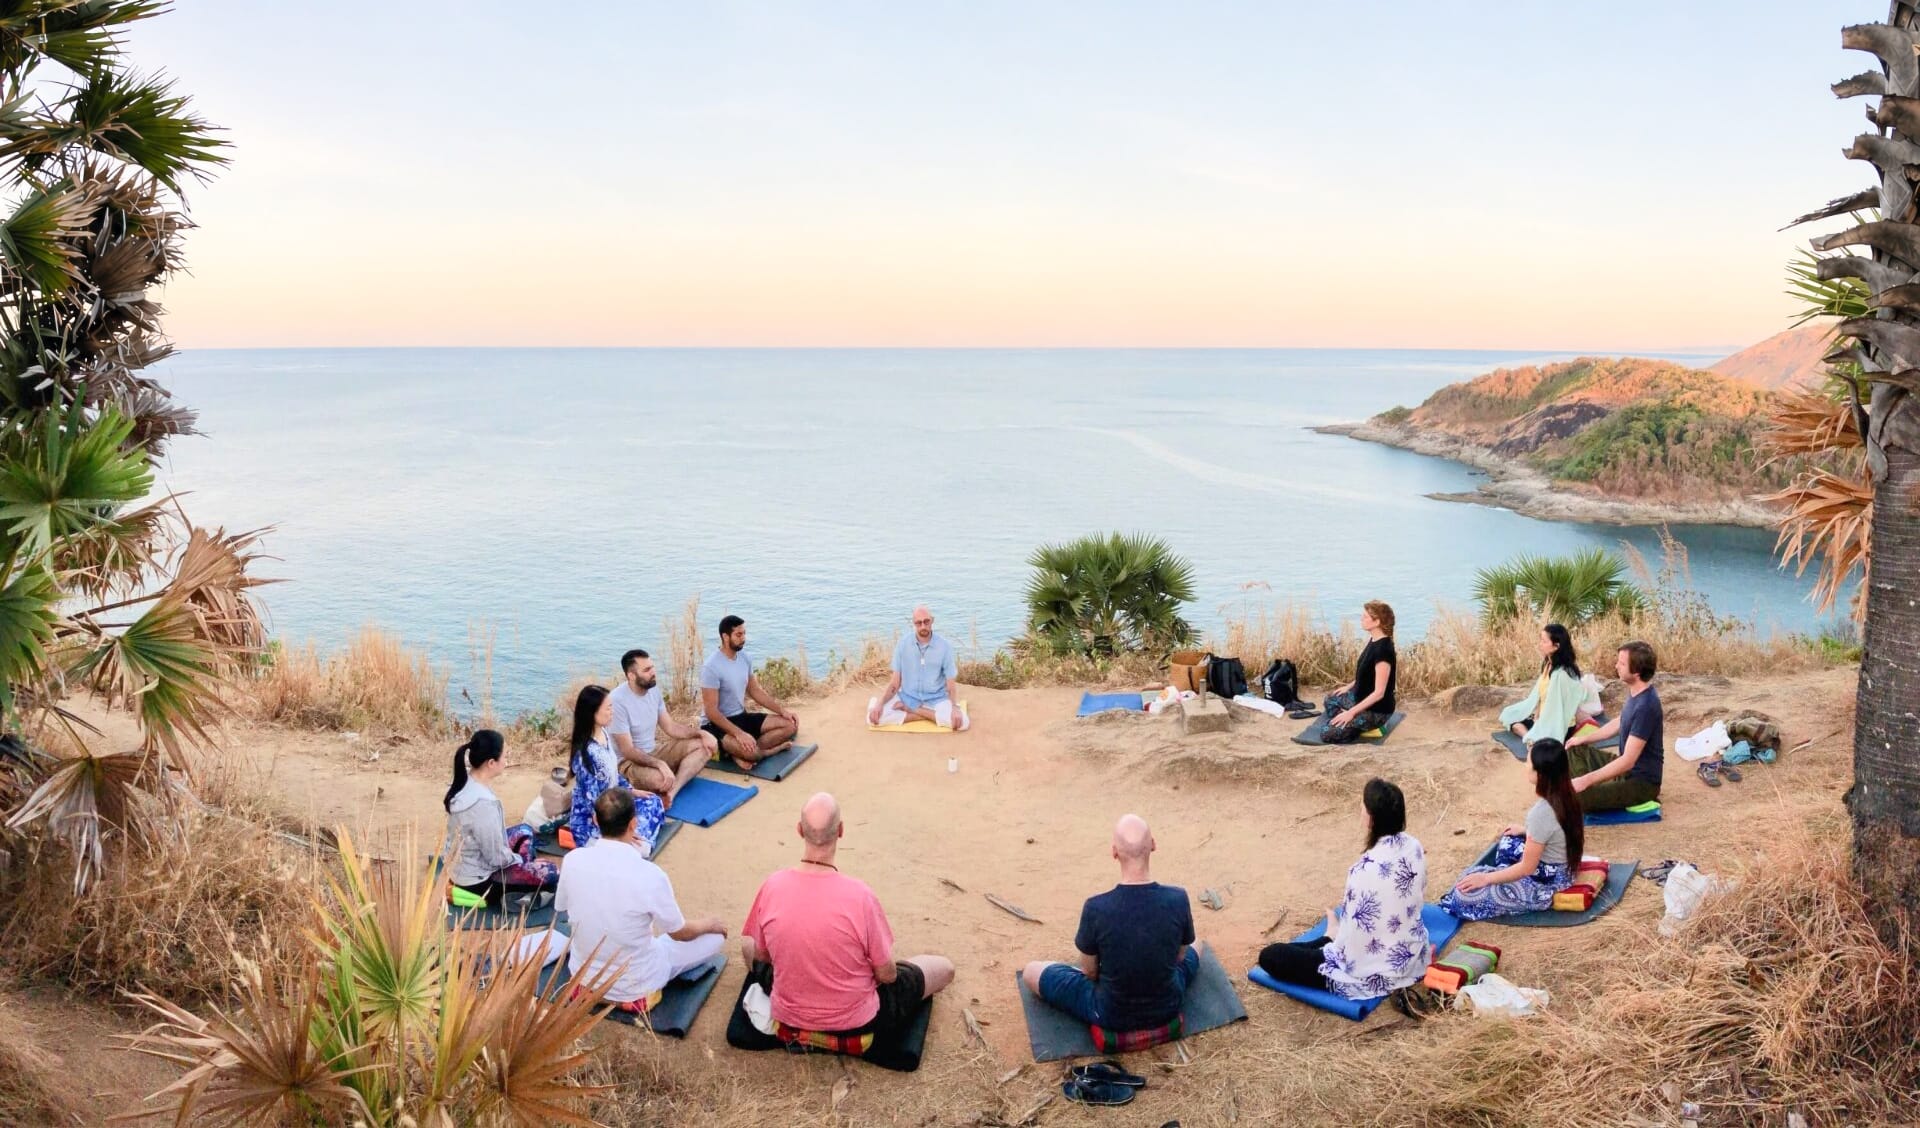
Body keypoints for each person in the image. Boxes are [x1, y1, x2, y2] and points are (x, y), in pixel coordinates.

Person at [737, 793, 954, 1041]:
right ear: (840, 831)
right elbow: (887, 975)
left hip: (789, 1013)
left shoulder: (772, 886)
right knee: (944, 968)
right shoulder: (860, 896)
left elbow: (763, 956)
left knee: (748, 944)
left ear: (799, 830)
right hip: (858, 1021)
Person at [555, 788, 729, 1014]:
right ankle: (628, 999)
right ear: (634, 824)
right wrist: (709, 924)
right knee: (713, 939)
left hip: (584, 975)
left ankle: (592, 993)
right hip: (636, 982)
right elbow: (679, 932)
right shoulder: (650, 874)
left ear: (596, 820)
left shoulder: (572, 860)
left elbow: (561, 908)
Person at [1019, 815, 1200, 1033]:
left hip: (1111, 1013)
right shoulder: (1178, 898)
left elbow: (1089, 972)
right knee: (1198, 943)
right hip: (1168, 1006)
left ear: (1114, 852)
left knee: (1031, 971)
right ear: (1153, 845)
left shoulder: (1096, 908)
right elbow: (1179, 957)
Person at [1256, 779, 1431, 999]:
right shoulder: (1414, 846)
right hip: (1412, 958)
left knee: (1271, 956)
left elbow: (1353, 944)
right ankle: (1329, 937)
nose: (1360, 810)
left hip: (1370, 973)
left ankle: (1328, 937)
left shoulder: (1362, 872)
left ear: (1371, 819)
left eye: (1362, 806)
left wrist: (1335, 945)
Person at [1439, 740, 1584, 920]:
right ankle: (1502, 875)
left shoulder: (1541, 813)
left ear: (1540, 774)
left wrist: (1486, 879)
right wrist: (1526, 831)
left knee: (1463, 897)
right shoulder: (1567, 791)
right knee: (1508, 839)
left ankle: (1502, 879)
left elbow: (1526, 869)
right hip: (1563, 869)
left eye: (1528, 763)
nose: (1525, 765)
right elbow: (1555, 830)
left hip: (1546, 883)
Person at [440, 729, 557, 908]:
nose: (506, 761)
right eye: (504, 756)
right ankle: (500, 895)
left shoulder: (466, 781)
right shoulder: (482, 804)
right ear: (491, 763)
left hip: (467, 863)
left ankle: (521, 874)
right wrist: (521, 861)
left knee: (525, 831)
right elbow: (494, 858)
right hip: (476, 880)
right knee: (551, 873)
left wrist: (520, 860)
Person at [1564, 641, 1663, 812]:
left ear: (1637, 671)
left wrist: (1586, 780)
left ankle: (1582, 786)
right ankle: (1583, 785)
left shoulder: (1646, 706)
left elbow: (1628, 761)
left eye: (1622, 663)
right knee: (1574, 749)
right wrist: (1582, 739)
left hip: (1640, 783)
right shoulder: (1636, 693)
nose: (1616, 666)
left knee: (1573, 798)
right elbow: (1618, 722)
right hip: (1625, 772)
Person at [609, 648, 716, 802]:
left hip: (653, 752)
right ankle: (669, 777)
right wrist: (660, 764)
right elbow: (628, 751)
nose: (653, 672)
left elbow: (670, 727)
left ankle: (673, 790)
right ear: (631, 675)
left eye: (652, 667)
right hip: (628, 763)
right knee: (659, 780)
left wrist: (701, 734)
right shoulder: (617, 701)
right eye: (647, 670)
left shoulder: (653, 690)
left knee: (705, 747)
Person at [568, 684, 665, 851]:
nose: (611, 712)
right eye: (607, 708)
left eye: (611, 707)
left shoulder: (603, 733)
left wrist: (630, 790)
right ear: (593, 713)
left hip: (615, 803)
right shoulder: (586, 754)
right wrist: (621, 829)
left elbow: (613, 772)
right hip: (598, 819)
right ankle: (631, 842)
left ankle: (634, 838)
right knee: (640, 847)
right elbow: (592, 803)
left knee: (652, 801)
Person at [700, 614, 799, 768]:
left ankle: (745, 752)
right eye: (738, 635)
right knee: (752, 752)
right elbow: (711, 712)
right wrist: (739, 734)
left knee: (790, 725)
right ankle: (756, 752)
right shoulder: (711, 667)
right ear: (725, 637)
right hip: (717, 725)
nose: (743, 638)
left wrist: (782, 711)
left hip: (741, 717)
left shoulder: (745, 658)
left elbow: (755, 691)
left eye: (744, 633)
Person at [867, 605, 969, 731]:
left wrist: (954, 707)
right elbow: (895, 683)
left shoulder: (944, 647)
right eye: (918, 623)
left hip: (936, 699)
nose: (923, 626)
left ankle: (914, 711)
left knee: (962, 723)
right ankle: (928, 716)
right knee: (872, 718)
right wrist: (880, 704)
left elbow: (950, 685)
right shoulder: (902, 645)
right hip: (907, 697)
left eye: (926, 621)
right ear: (914, 624)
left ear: (932, 620)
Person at [1499, 623, 1588, 746]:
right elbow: (1542, 696)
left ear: (1556, 646)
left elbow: (1560, 708)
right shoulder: (1548, 664)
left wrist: (1541, 722)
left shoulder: (1562, 674)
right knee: (1511, 716)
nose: (1540, 644)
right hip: (1545, 716)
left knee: (1519, 726)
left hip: (1559, 724)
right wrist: (1537, 716)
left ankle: (1533, 740)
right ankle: (1531, 738)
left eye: (1544, 641)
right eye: (1540, 640)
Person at [1322, 601, 1398, 744]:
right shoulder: (1374, 640)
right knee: (1330, 699)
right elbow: (1366, 673)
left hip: (1377, 710)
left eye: (1365, 617)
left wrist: (1351, 713)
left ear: (1377, 622)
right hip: (1360, 697)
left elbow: (1379, 693)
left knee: (1327, 733)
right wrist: (1348, 687)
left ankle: (1373, 727)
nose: (1361, 619)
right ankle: (1349, 721)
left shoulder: (1383, 651)